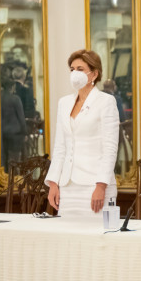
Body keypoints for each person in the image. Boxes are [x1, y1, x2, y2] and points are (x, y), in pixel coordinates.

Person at [46, 49, 120, 216]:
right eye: (72, 69)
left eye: (80, 69)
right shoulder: (64, 103)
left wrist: (101, 185)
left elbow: (110, 148)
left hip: (95, 184)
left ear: (94, 74)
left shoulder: (106, 102)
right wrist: (53, 183)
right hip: (67, 186)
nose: (74, 73)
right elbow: (60, 147)